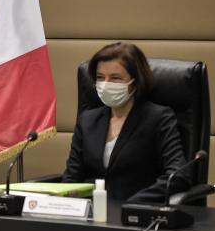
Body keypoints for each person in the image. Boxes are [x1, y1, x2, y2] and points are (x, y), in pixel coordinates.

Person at [62, 42, 188, 203]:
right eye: (100, 78)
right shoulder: (87, 120)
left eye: (115, 78)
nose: (106, 84)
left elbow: (178, 176)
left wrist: (132, 204)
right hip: (90, 213)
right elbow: (72, 177)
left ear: (135, 82)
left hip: (134, 214)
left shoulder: (158, 118)